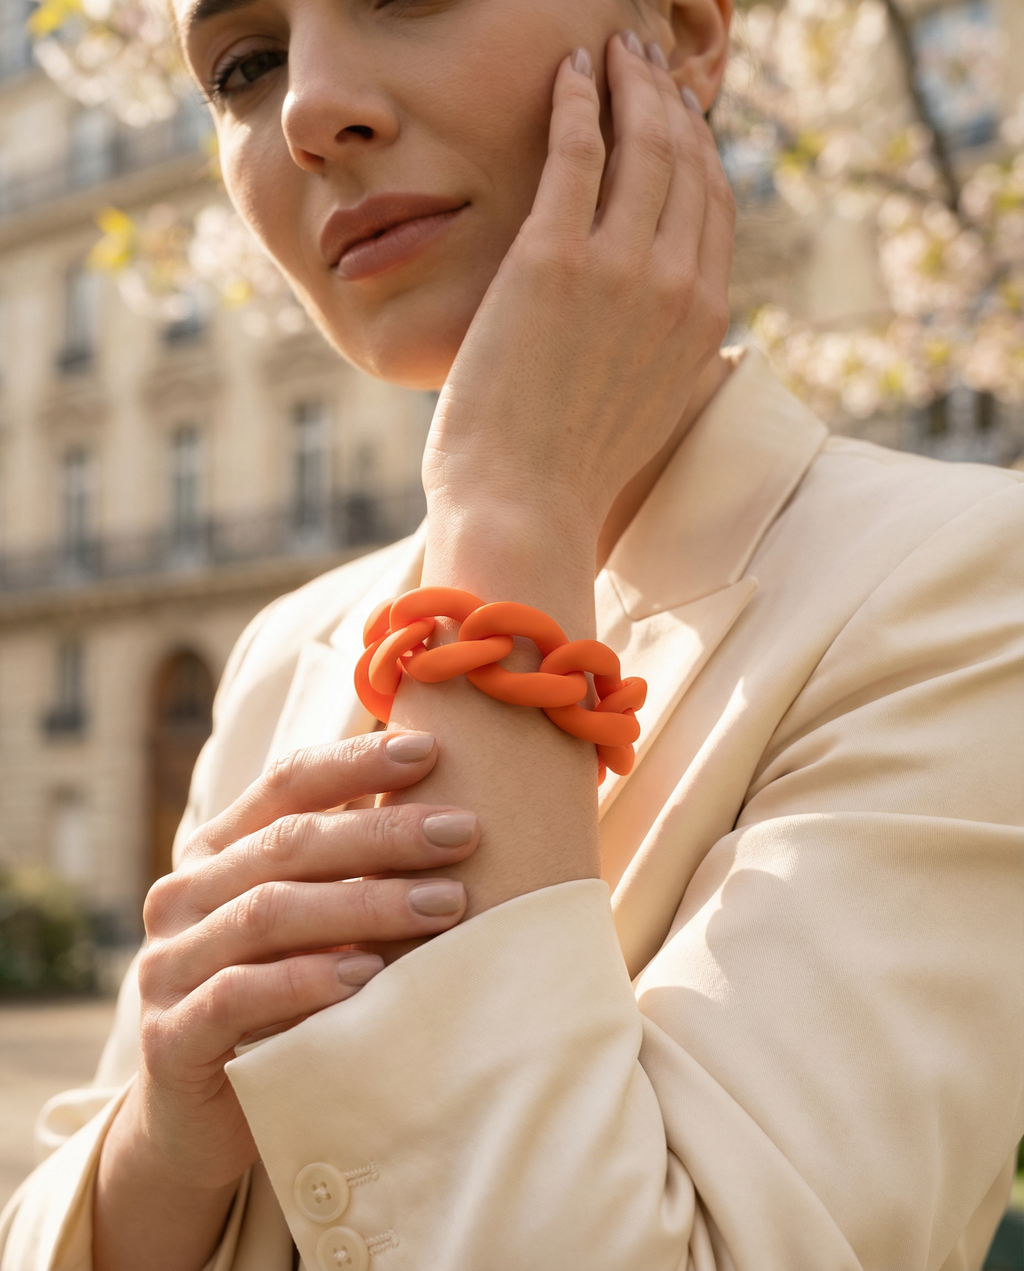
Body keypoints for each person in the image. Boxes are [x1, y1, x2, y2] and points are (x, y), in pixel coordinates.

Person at [2, 1, 1022, 1269]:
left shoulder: (976, 590)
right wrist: (161, 1137)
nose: (311, 108)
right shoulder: (288, 649)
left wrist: (513, 500)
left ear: (687, 38)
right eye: (245, 65)